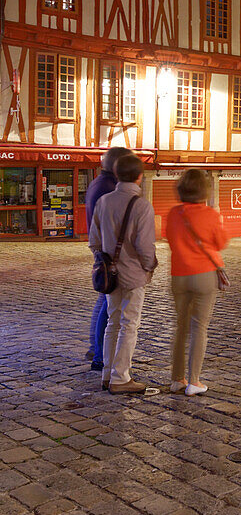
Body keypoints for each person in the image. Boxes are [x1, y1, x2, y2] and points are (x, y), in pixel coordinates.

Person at [88, 152, 157, 394]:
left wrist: (105, 262)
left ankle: (107, 374)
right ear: (140, 176)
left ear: (116, 174)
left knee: (113, 323)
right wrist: (149, 267)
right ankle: (121, 377)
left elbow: (94, 241)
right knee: (130, 325)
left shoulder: (104, 201)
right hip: (134, 274)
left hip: (111, 275)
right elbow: (145, 246)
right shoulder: (142, 205)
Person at [166, 169, 228, 396]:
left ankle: (176, 379)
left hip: (179, 274)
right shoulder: (210, 214)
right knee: (199, 327)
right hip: (203, 274)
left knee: (180, 328)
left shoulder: (174, 214)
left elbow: (170, 240)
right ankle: (194, 381)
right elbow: (221, 243)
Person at [86, 147, 132, 370]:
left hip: (103, 251)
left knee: (103, 300)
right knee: (109, 306)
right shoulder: (108, 188)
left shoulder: (98, 183)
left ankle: (96, 348)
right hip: (110, 254)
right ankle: (100, 356)